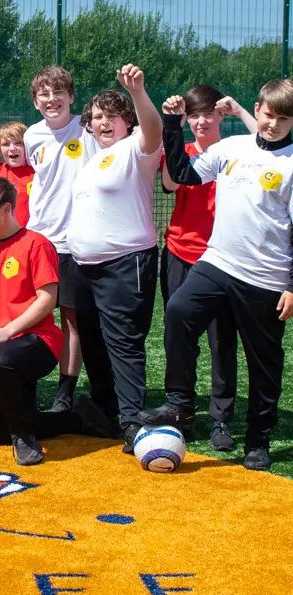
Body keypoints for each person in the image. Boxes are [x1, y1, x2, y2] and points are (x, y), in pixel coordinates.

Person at [142, 79, 293, 471]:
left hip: (266, 278)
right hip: (219, 262)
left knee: (264, 364)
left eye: (283, 118)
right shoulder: (232, 148)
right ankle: (179, 403)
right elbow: (184, 175)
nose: (273, 124)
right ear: (257, 109)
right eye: (268, 114)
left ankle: (258, 439)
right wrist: (172, 125)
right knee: (178, 312)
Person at [0, 178, 115, 465]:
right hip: (4, 352)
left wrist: (8, 330)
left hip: (40, 343)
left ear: (7, 208)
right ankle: (76, 419)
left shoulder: (36, 244)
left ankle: (24, 436)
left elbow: (47, 299)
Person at [65, 65, 163, 453]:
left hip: (126, 263)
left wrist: (138, 93)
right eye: (98, 117)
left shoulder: (136, 149)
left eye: (113, 115)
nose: (104, 122)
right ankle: (107, 412)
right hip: (84, 266)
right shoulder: (94, 159)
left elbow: (154, 129)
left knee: (123, 343)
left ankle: (133, 420)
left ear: (127, 121)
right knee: (92, 342)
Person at [158, 86, 256, 452]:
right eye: (194, 115)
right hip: (179, 254)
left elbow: (265, 139)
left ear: (220, 118)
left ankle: (221, 420)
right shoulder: (181, 152)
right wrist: (175, 126)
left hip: (224, 260)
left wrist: (240, 109)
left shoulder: (239, 152)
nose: (201, 121)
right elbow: (170, 182)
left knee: (222, 343)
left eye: (208, 115)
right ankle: (181, 412)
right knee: (178, 336)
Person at [22, 66, 93, 413]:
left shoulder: (90, 128)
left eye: (58, 93)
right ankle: (25, 384)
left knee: (71, 320)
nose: (52, 100)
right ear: (36, 102)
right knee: (30, 316)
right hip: (38, 240)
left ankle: (65, 392)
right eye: (44, 95)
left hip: (77, 243)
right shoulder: (32, 136)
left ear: (71, 97)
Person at [0, 122, 33, 227]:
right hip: (0, 239)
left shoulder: (40, 173)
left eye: (18, 143)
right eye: (5, 144)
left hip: (30, 238)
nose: (12, 148)